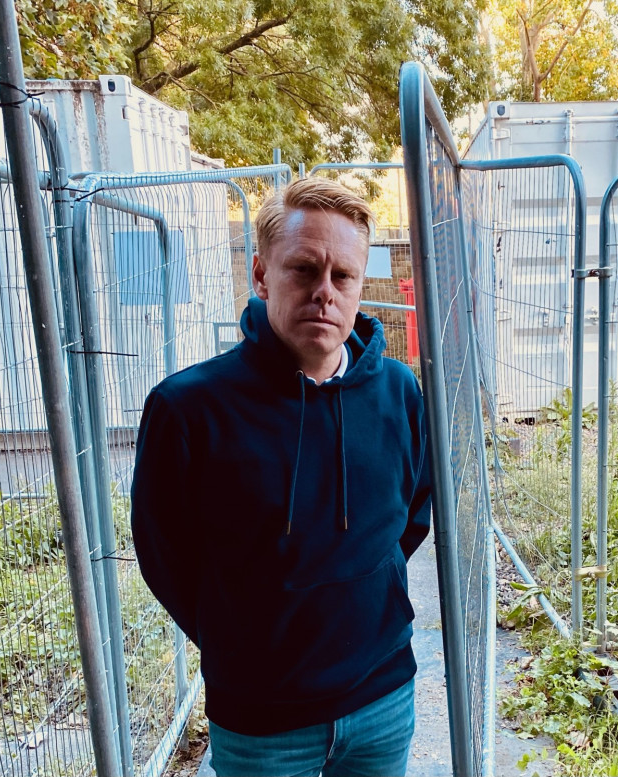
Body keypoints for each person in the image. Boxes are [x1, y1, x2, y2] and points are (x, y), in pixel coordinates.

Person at [131, 177, 432, 777]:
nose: (325, 292)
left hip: (382, 700)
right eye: (303, 270)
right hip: (260, 721)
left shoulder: (400, 392)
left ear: (358, 287)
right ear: (262, 274)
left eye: (342, 276)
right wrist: (241, 640)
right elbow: (166, 557)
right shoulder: (188, 409)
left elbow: (411, 517)